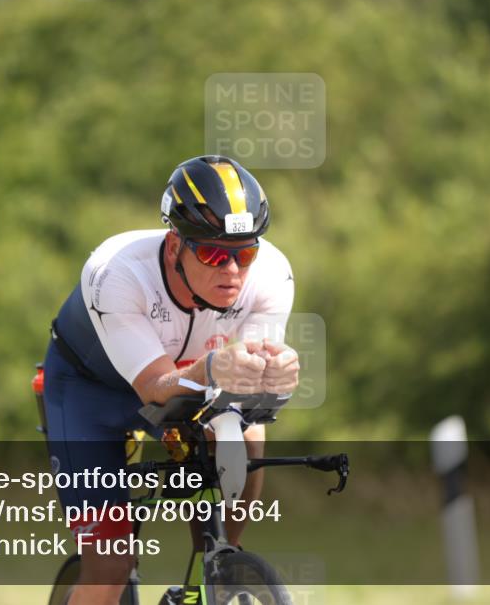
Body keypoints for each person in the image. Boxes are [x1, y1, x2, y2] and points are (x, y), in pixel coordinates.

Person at [43, 155, 299, 605]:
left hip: (190, 381)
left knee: (247, 433)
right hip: (92, 393)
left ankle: (219, 566)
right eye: (214, 253)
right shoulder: (118, 272)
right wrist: (214, 367)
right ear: (174, 245)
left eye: (244, 254)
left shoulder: (273, 274)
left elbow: (244, 388)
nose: (232, 271)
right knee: (111, 566)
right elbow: (156, 388)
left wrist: (276, 374)